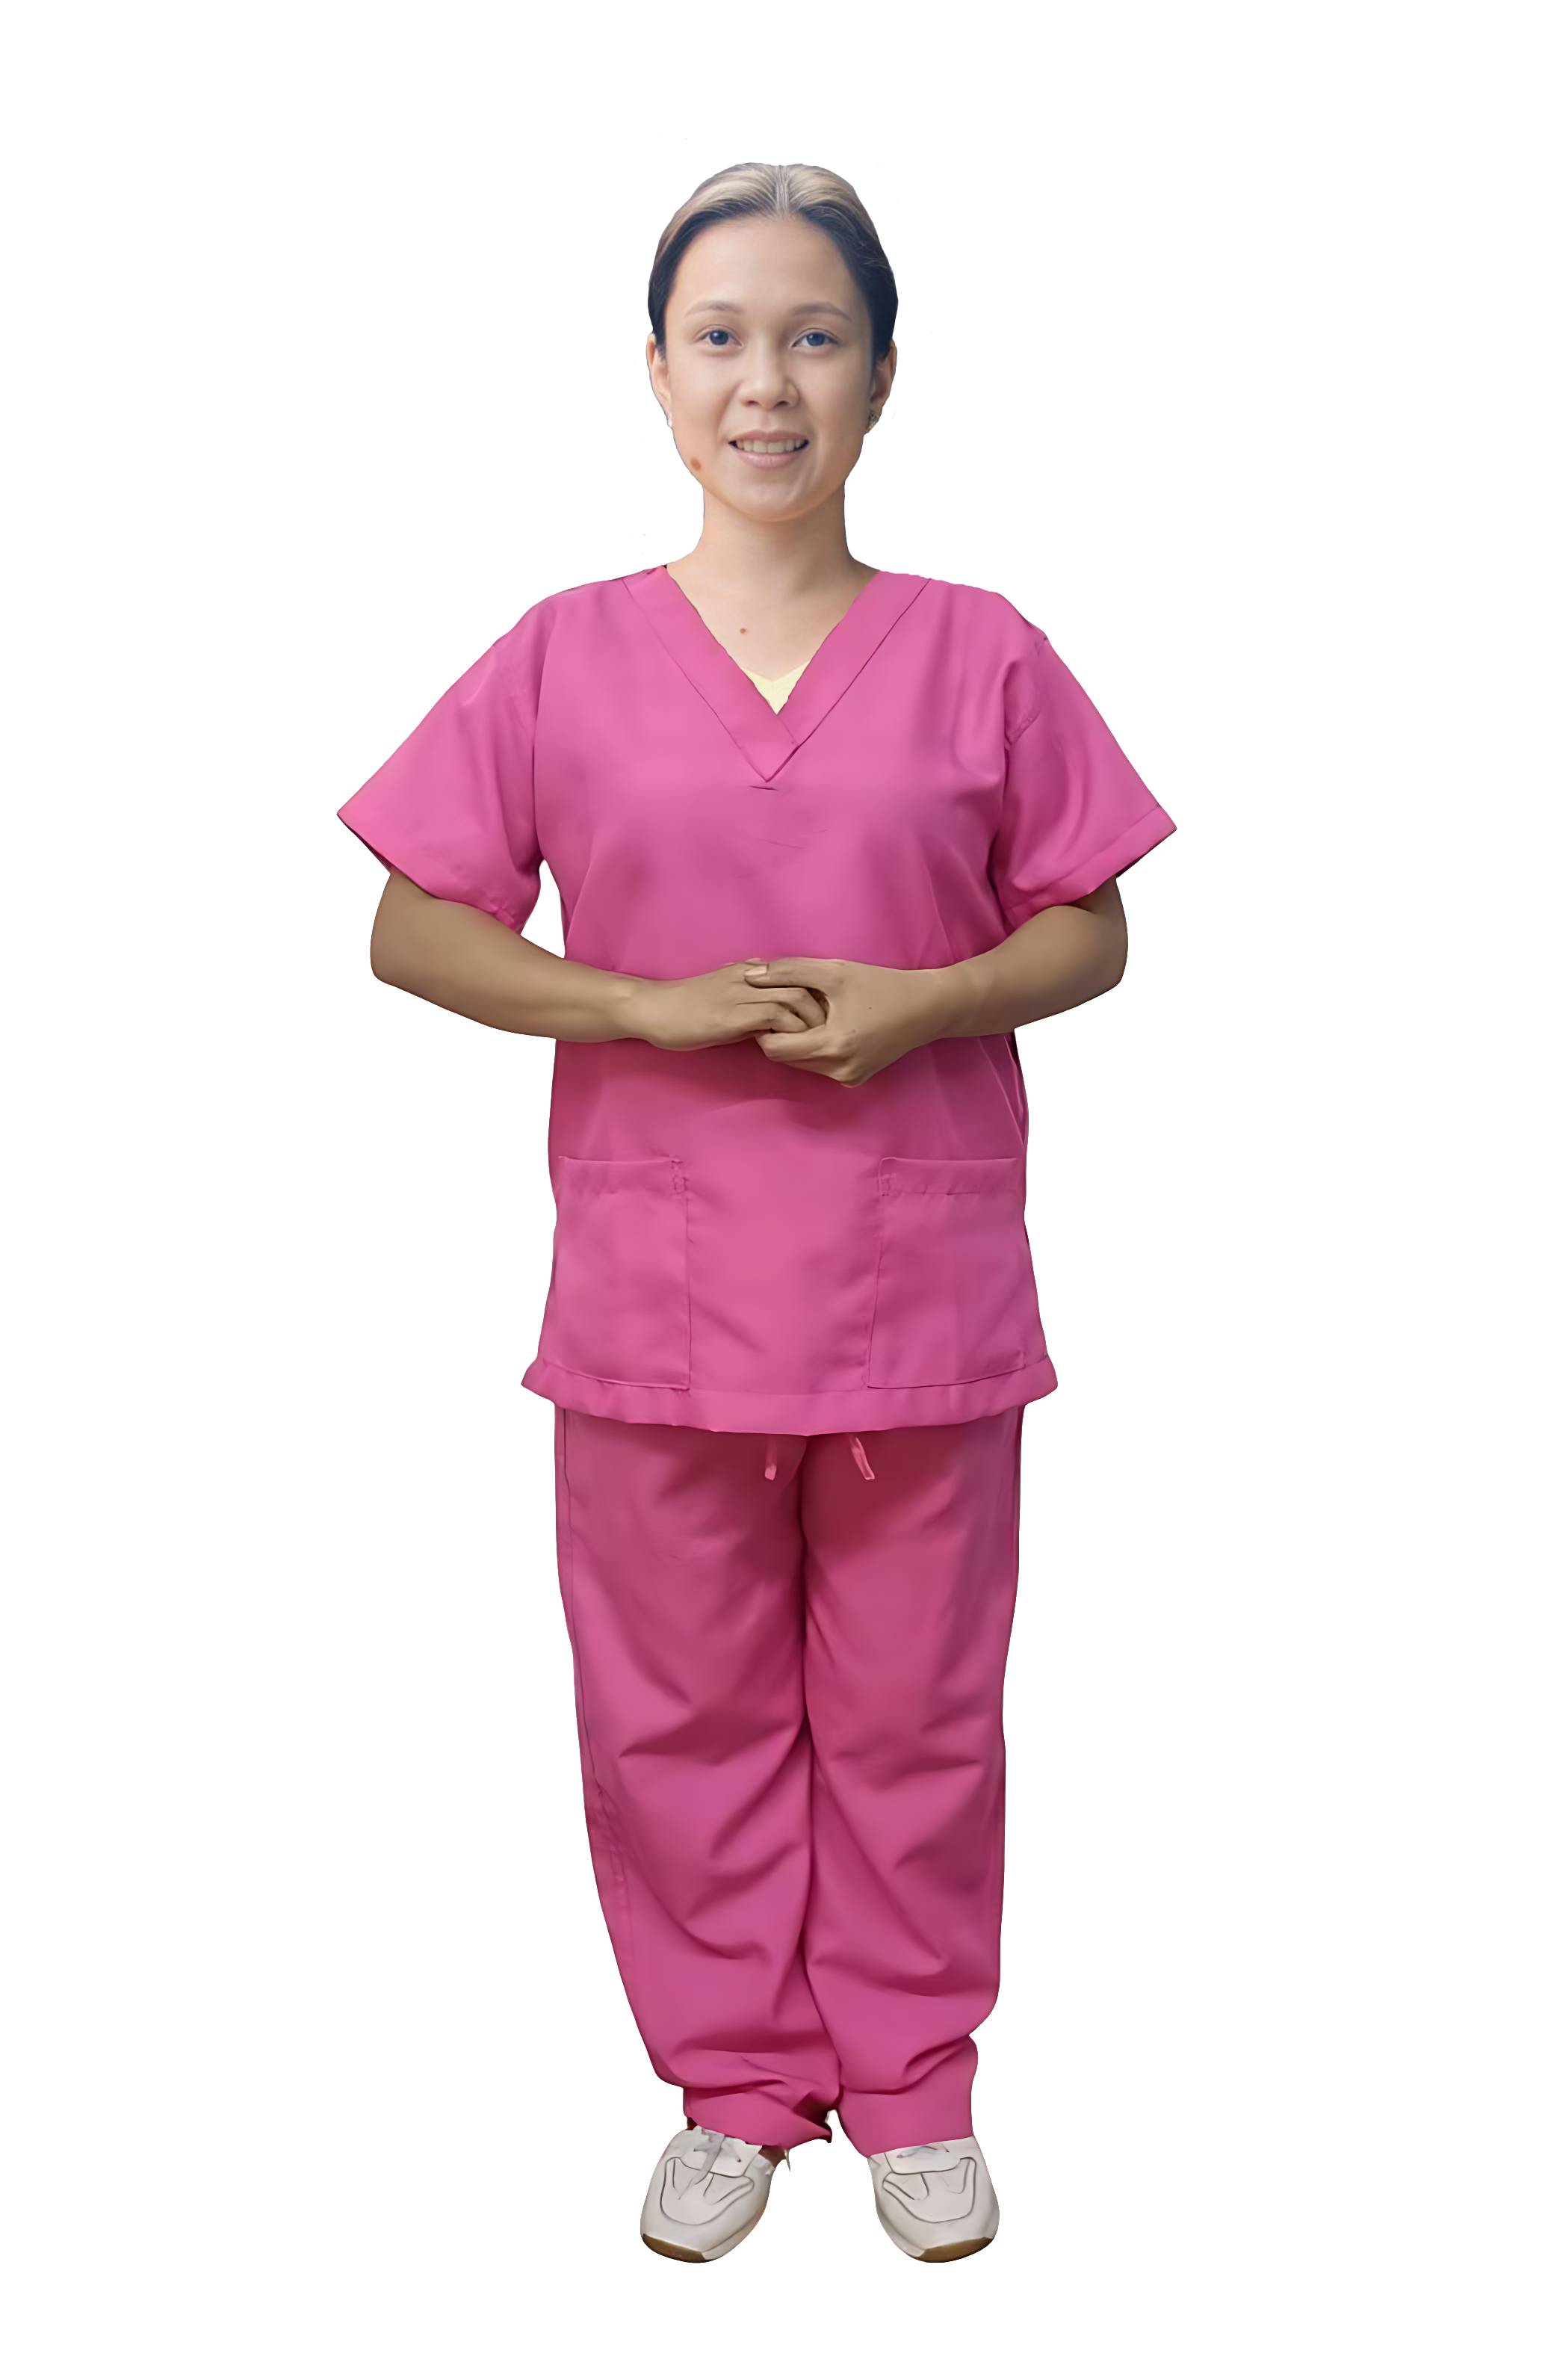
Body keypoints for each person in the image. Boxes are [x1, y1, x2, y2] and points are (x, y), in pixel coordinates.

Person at [337, 161, 1177, 2265]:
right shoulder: (562, 655)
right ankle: (732, 2082)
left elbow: (1089, 925)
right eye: (720, 337)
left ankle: (912, 2083)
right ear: (655, 374)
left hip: (917, 1292)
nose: (767, 384)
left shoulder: (982, 652)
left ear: (884, 377)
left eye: (816, 336)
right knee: (676, 1711)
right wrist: (627, 1001)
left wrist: (935, 998)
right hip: (661, 1288)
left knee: (916, 1712)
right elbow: (412, 923)